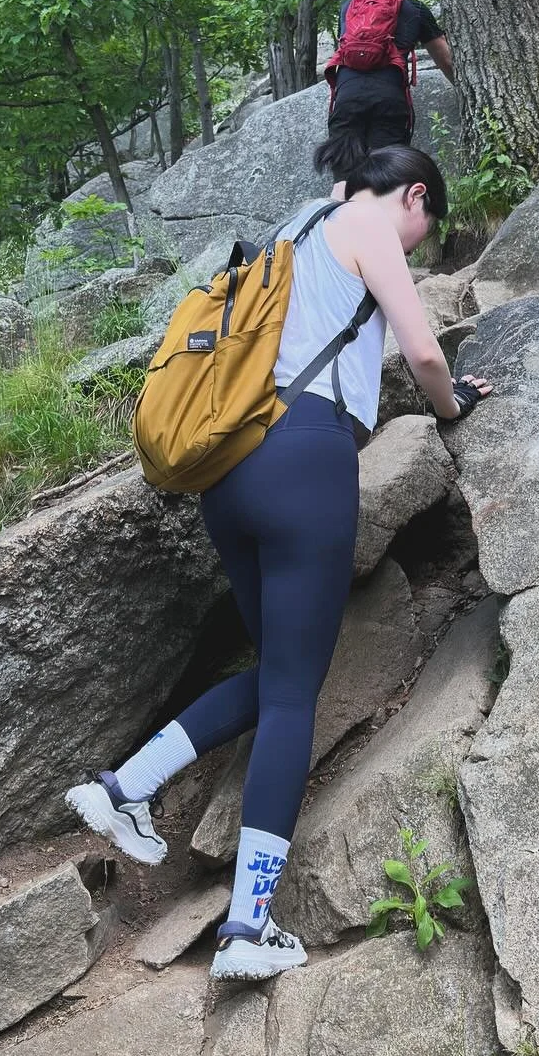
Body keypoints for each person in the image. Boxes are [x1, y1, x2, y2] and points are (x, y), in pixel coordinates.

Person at [66, 146, 491, 984]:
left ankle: (125, 790)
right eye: (426, 226)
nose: (416, 243)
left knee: (278, 673)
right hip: (305, 459)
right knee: (297, 691)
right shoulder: (371, 222)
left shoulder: (297, 226)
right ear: (413, 196)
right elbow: (427, 355)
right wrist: (457, 403)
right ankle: (248, 924)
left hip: (231, 470)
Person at [314, 0, 455, 186]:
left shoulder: (349, 6)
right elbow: (445, 59)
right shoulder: (414, 8)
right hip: (389, 100)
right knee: (385, 180)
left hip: (346, 99)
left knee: (343, 181)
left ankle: (342, 212)